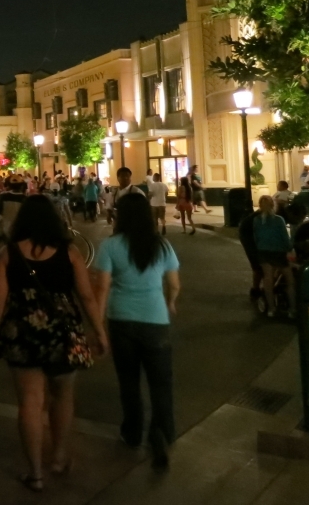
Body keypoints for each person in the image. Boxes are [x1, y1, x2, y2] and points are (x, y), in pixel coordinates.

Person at [0, 195, 107, 491]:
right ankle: (57, 456)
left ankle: (35, 473)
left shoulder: (7, 254)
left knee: (30, 401)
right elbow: (86, 296)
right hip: (62, 333)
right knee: (63, 396)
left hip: (22, 332)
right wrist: (99, 331)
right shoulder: (70, 253)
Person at [94, 193, 181, 470]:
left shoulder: (110, 246)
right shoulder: (162, 246)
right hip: (156, 320)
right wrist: (170, 301)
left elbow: (102, 289)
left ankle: (132, 432)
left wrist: (98, 328)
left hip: (121, 321)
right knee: (161, 382)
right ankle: (162, 431)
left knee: (129, 381)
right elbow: (175, 283)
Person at [254, 195, 295, 319]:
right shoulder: (278, 220)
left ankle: (271, 309)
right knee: (290, 281)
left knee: (268, 279)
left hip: (263, 251)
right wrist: (289, 249)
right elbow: (285, 238)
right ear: (273, 205)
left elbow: (256, 238)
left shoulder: (256, 221)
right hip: (278, 252)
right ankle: (292, 310)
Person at [0, 174, 28, 239]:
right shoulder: (25, 199)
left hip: (5, 230)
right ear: (21, 186)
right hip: (20, 232)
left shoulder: (3, 196)